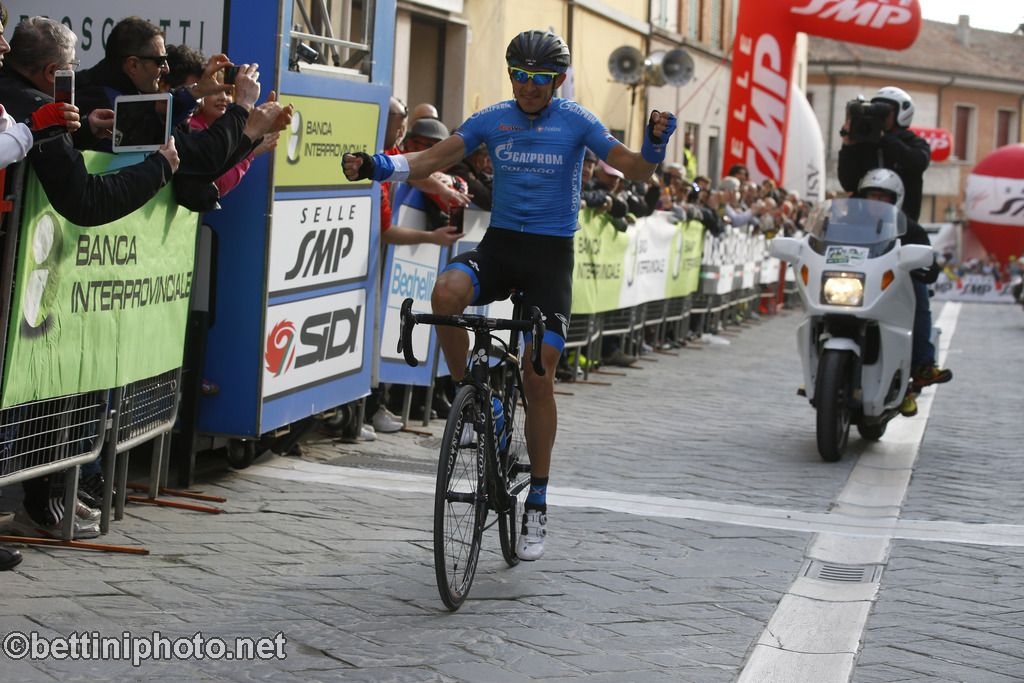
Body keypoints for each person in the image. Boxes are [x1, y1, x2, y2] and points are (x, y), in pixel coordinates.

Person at [343, 29, 677, 561]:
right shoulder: (493, 119)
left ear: (558, 81)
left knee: (538, 373)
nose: (527, 86)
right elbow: (432, 159)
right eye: (518, 76)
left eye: (539, 78)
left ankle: (538, 499)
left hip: (549, 256)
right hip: (500, 245)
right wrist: (380, 165)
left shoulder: (577, 121)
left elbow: (634, 168)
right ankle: (473, 400)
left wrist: (655, 143)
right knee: (446, 292)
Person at [0, 16, 179, 227]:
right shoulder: (44, 111)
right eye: (72, 65)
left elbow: (30, 144)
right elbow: (86, 201)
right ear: (52, 72)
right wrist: (160, 168)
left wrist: (84, 130)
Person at [855, 169, 951, 417]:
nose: (876, 202)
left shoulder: (910, 228)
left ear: (894, 199)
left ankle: (920, 366)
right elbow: (822, 242)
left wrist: (926, 267)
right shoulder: (846, 223)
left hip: (890, 290)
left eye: (883, 197)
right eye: (872, 196)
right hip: (855, 289)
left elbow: (928, 262)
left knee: (919, 293)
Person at [838, 86, 930, 222]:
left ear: (901, 112)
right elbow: (848, 183)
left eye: (885, 111)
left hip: (901, 224)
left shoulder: (914, 142)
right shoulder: (863, 143)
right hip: (862, 223)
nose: (879, 116)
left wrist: (884, 138)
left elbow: (918, 162)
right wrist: (848, 147)